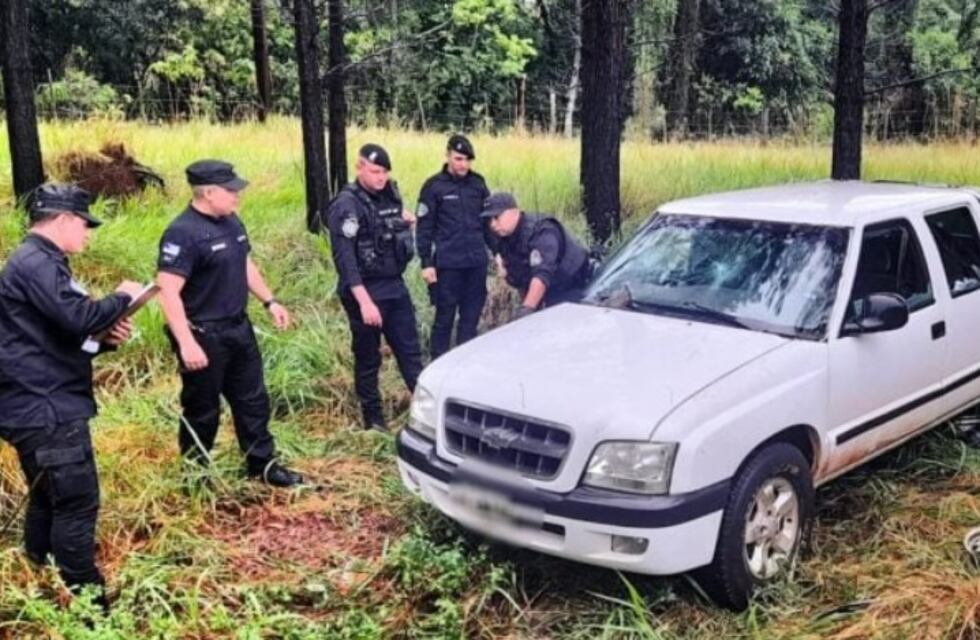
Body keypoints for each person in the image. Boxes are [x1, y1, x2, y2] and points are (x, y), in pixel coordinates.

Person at [0, 183, 141, 607]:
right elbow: (75, 316)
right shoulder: (36, 263)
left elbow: (52, 336)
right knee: (77, 503)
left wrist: (105, 339)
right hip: (46, 409)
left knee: (48, 496)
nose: (87, 233)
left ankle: (37, 575)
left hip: (35, 402)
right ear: (62, 220)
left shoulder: (39, 263)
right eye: (84, 224)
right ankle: (91, 604)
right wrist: (124, 297)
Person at [156, 160, 302, 487]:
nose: (238, 195)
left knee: (253, 400)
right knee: (202, 410)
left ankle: (262, 466)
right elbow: (167, 291)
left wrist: (270, 300)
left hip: (238, 328)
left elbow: (244, 263)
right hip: (204, 335)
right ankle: (197, 477)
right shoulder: (183, 233)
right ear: (208, 193)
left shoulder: (231, 221)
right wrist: (186, 341)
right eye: (231, 190)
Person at [322, 144, 423, 431]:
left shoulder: (390, 194)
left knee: (410, 351)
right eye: (375, 171)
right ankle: (374, 420)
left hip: (394, 286)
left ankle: (426, 411)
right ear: (360, 167)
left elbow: (392, 232)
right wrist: (364, 301)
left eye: (385, 172)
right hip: (363, 290)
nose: (381, 178)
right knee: (368, 357)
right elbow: (345, 259)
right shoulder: (347, 205)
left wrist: (406, 224)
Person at [415, 134, 492, 358]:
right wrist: (426, 263)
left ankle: (463, 364)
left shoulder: (478, 184)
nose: (463, 165)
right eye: (458, 159)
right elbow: (424, 228)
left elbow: (488, 224)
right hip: (448, 265)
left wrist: (498, 252)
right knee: (444, 318)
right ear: (447, 155)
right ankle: (437, 364)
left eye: (467, 160)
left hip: (476, 262)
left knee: (471, 318)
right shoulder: (433, 187)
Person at [482, 192, 591, 318]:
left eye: (497, 217)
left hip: (574, 288)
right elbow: (521, 278)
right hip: (546, 292)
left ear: (514, 212)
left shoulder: (541, 231)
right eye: (489, 220)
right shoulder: (504, 237)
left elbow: (542, 275)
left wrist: (527, 310)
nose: (493, 224)